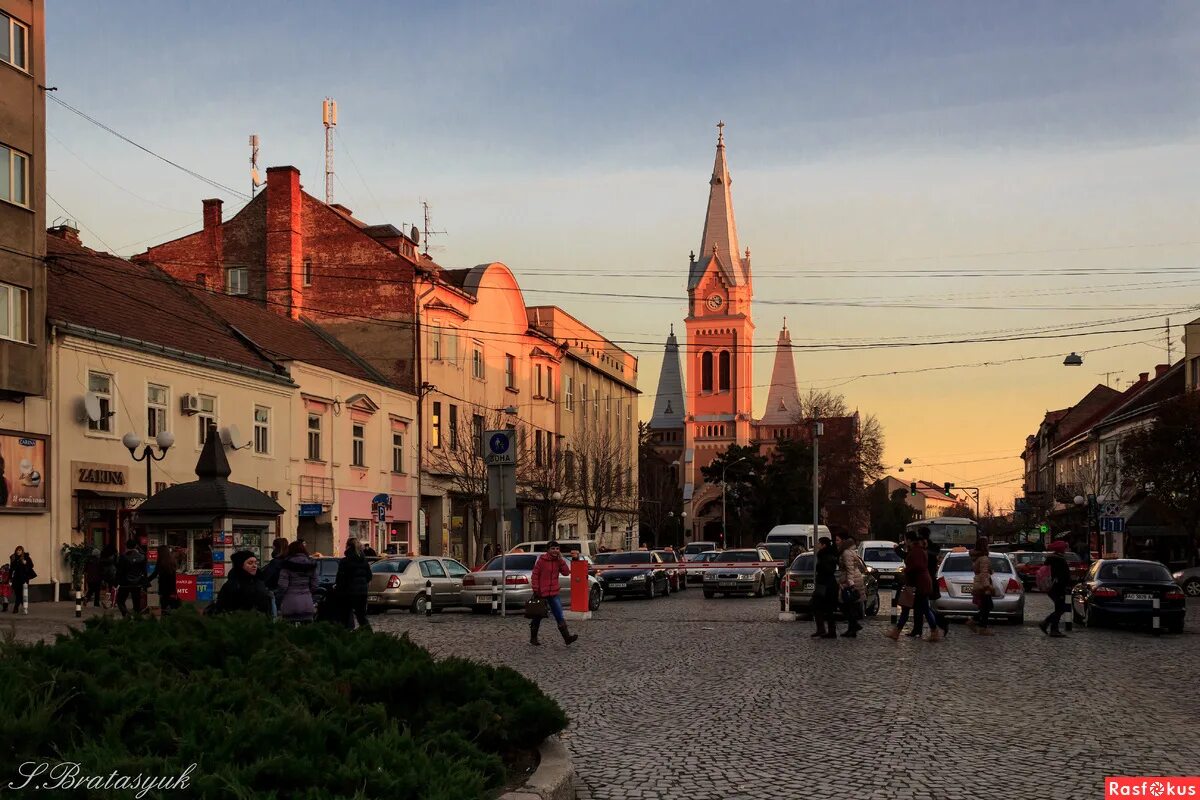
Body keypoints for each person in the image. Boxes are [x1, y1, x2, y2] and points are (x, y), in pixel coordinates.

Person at [885, 530, 940, 641]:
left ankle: (897, 632)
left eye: (905, 539)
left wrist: (906, 570)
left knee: (909, 607)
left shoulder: (916, 551)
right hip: (920, 582)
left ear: (909, 540)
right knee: (921, 608)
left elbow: (916, 566)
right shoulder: (919, 549)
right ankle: (933, 631)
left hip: (918, 583)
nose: (904, 542)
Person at [529, 540, 577, 646]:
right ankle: (533, 638)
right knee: (537, 616)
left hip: (554, 593)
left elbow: (565, 572)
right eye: (553, 549)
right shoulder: (541, 561)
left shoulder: (558, 561)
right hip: (541, 593)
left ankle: (567, 638)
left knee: (559, 615)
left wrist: (561, 560)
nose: (555, 551)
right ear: (548, 550)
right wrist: (536, 589)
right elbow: (535, 575)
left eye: (557, 549)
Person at [919, 527, 951, 638]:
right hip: (926, 580)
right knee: (923, 607)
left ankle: (940, 625)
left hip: (928, 580)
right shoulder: (926, 547)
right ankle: (919, 629)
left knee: (925, 607)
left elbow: (931, 558)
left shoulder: (930, 548)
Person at [335, 538, 373, 630]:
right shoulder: (364, 561)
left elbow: (340, 578)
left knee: (345, 616)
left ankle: (345, 635)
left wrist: (339, 589)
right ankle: (369, 635)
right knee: (362, 616)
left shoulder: (345, 561)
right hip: (362, 592)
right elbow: (369, 576)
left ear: (348, 547)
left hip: (348, 592)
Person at [277, 540, 318, 623]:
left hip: (290, 602)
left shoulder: (286, 565)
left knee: (288, 632)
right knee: (307, 631)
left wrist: (279, 599)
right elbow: (315, 585)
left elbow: (282, 586)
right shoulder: (311, 564)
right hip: (307, 602)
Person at [834, 530, 865, 638]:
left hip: (851, 581)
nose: (836, 542)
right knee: (849, 605)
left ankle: (854, 626)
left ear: (843, 541)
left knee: (845, 604)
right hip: (851, 579)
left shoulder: (846, 552)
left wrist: (850, 584)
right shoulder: (849, 550)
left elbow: (850, 569)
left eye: (837, 540)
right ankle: (852, 629)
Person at [1039, 540, 1072, 638]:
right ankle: (1046, 623)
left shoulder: (1050, 559)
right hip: (1058, 587)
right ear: (1062, 549)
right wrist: (1067, 585)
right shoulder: (1060, 560)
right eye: (1066, 548)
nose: (1067, 549)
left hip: (1052, 587)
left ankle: (1054, 629)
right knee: (1061, 608)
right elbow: (1063, 575)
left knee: (1058, 607)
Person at [812, 537, 840, 639]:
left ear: (824, 545)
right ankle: (828, 630)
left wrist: (820, 568)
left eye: (819, 543)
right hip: (828, 584)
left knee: (818, 606)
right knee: (827, 609)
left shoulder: (825, 555)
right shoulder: (829, 554)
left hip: (825, 585)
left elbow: (827, 569)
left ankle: (824, 630)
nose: (818, 545)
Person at [966, 536, 995, 635]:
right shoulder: (983, 558)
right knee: (988, 605)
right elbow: (984, 573)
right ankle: (979, 624)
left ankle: (979, 624)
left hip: (980, 582)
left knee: (985, 606)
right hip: (984, 583)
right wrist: (987, 586)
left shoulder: (977, 557)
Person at [114, 539, 147, 618]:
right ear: (136, 546)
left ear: (126, 546)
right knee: (136, 603)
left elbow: (119, 571)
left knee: (120, 600)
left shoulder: (123, 557)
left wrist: (116, 583)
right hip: (137, 583)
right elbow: (144, 571)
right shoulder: (142, 557)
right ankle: (137, 618)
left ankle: (126, 615)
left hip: (125, 583)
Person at [147, 545, 180, 616]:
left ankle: (164, 621)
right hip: (172, 588)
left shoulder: (160, 563)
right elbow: (173, 577)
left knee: (164, 607)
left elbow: (154, 574)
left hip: (163, 588)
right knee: (171, 607)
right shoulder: (172, 562)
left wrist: (145, 580)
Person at [261, 537, 289, 618]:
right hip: (288, 593)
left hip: (275, 591)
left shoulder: (275, 563)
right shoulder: (289, 561)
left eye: (273, 546)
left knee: (275, 615)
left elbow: (266, 577)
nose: (272, 547)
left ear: (276, 547)